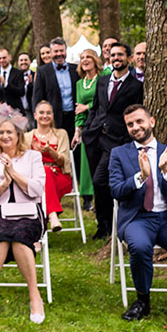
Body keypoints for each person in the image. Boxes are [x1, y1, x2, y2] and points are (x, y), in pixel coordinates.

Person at [109, 104, 167, 328]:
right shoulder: (119, 154)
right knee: (139, 248)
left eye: (139, 121)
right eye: (130, 124)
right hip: (138, 218)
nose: (135, 127)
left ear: (151, 122)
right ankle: (143, 300)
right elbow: (116, 191)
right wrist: (140, 177)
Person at [0, 119, 47, 323]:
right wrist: (4, 184)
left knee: (20, 236)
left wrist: (14, 174)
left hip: (30, 213)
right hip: (0, 212)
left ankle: (35, 296)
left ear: (18, 136)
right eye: (1, 132)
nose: (5, 136)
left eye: (9, 132)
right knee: (3, 236)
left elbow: (38, 189)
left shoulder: (33, 157)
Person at [74, 42, 143, 239]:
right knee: (98, 185)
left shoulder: (136, 86)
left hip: (117, 141)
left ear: (128, 59)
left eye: (120, 55)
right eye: (113, 55)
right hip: (95, 137)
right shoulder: (103, 81)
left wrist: (125, 137)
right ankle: (103, 227)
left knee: (101, 179)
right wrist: (87, 130)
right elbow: (96, 107)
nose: (116, 58)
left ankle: (117, 224)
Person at [25, 101, 73, 233]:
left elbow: (64, 162)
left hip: (59, 176)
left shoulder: (61, 134)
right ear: (35, 115)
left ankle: (38, 232)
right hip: (36, 178)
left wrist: (50, 151)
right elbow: (24, 163)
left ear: (52, 115)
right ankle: (52, 215)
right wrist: (35, 153)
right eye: (41, 112)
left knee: (45, 176)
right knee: (43, 177)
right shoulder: (27, 137)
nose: (44, 116)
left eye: (48, 113)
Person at [74, 48, 104, 211]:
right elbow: (79, 109)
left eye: (88, 57)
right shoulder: (80, 84)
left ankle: (102, 196)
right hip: (88, 127)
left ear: (95, 60)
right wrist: (77, 130)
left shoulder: (103, 78)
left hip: (102, 125)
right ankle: (87, 198)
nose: (85, 60)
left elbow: (105, 101)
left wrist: (88, 106)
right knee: (86, 164)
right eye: (82, 57)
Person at [32, 37, 79, 140]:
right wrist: (38, 124)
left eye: (61, 50)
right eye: (56, 51)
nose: (59, 54)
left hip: (74, 119)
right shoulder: (42, 71)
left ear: (66, 51)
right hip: (53, 119)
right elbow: (37, 98)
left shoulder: (76, 69)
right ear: (51, 52)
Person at [15, 52, 36, 126]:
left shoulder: (36, 75)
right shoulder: (14, 76)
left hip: (31, 111)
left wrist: (31, 84)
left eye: (25, 60)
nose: (23, 62)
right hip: (18, 112)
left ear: (30, 61)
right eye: (21, 60)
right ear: (18, 63)